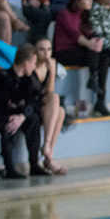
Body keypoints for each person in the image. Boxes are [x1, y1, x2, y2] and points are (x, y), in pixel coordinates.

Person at [0, 43, 50, 178]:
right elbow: (1, 106)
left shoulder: (26, 80)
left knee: (33, 118)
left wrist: (22, 117)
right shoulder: (2, 77)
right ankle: (9, 168)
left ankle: (34, 164)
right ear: (26, 63)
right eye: (33, 63)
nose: (35, 67)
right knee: (8, 122)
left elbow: (32, 103)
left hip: (7, 113)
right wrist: (16, 117)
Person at [53, 0, 110, 115]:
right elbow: (75, 34)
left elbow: (91, 33)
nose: (91, 1)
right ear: (77, 0)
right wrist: (91, 44)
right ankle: (93, 76)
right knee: (93, 51)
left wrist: (97, 40)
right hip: (64, 52)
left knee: (105, 58)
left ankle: (100, 100)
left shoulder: (85, 15)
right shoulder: (64, 14)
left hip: (81, 51)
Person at [32, 37, 67, 175]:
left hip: (43, 103)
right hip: (30, 103)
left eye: (49, 49)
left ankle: (49, 155)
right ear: (35, 51)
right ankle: (47, 148)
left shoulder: (50, 64)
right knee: (55, 98)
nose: (46, 53)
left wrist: (52, 71)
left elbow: (49, 91)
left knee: (61, 111)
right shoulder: (31, 65)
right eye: (41, 49)